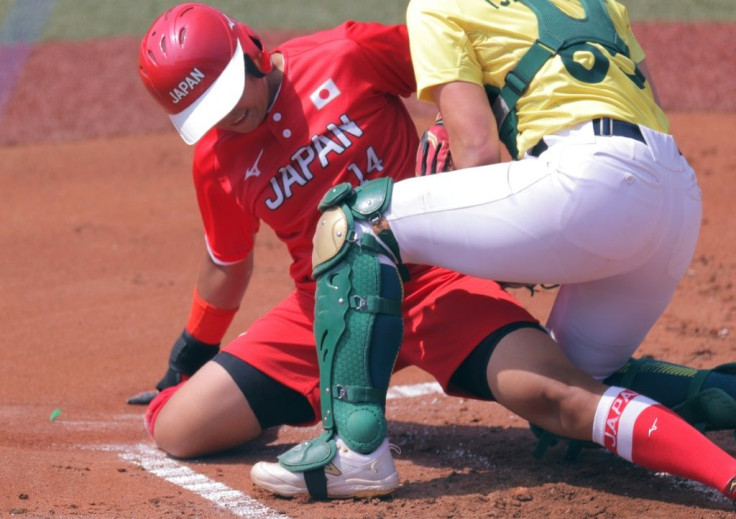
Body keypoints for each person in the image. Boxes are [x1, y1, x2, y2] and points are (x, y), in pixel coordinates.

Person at [249, 0, 736, 503]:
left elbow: (478, 152)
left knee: (356, 222)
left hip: (589, 186)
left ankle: (354, 454)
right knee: (575, 382)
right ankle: (724, 446)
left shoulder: (438, 6)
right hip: (675, 196)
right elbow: (649, 100)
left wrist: (498, 247)